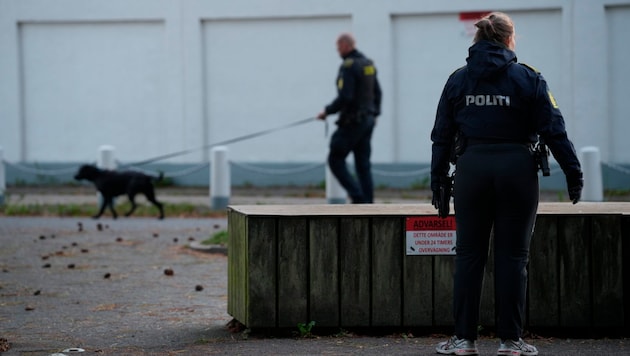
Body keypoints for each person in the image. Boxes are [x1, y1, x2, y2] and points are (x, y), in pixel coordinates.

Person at [430, 12, 583, 356]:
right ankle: (510, 342)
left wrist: (438, 181)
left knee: (469, 255)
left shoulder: (458, 80)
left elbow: (441, 136)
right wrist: (574, 173)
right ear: (510, 39)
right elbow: (554, 130)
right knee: (514, 257)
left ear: (479, 40)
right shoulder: (528, 78)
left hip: (472, 170)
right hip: (517, 171)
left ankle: (464, 341)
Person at [317, 32, 382, 204]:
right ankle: (368, 204)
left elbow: (346, 97)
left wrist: (327, 111)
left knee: (335, 159)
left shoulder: (349, 66)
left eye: (339, 47)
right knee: (363, 165)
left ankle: (358, 197)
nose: (338, 51)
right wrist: (375, 114)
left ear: (346, 45)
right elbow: (378, 92)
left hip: (353, 121)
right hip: (368, 121)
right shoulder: (368, 64)